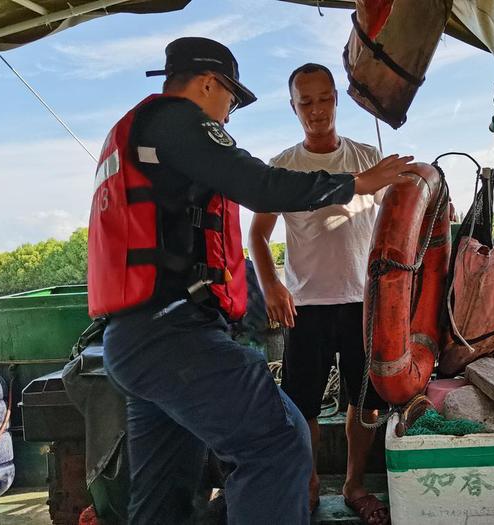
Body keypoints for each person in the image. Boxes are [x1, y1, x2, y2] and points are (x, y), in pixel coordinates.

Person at [88, 37, 417, 525]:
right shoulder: (176, 119)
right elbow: (259, 184)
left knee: (163, 495)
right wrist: (355, 182)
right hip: (172, 335)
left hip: (135, 340)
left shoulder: (136, 131)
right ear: (207, 83)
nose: (228, 114)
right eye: (229, 100)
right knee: (281, 438)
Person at [249, 63, 390, 525]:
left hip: (362, 304)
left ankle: (353, 484)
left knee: (364, 401)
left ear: (336, 99)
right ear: (293, 107)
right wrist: (271, 284)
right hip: (304, 306)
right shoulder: (283, 166)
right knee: (302, 403)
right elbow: (258, 235)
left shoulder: (368, 157)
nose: (316, 110)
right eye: (304, 102)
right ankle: (309, 484)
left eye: (323, 98)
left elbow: (401, 215)